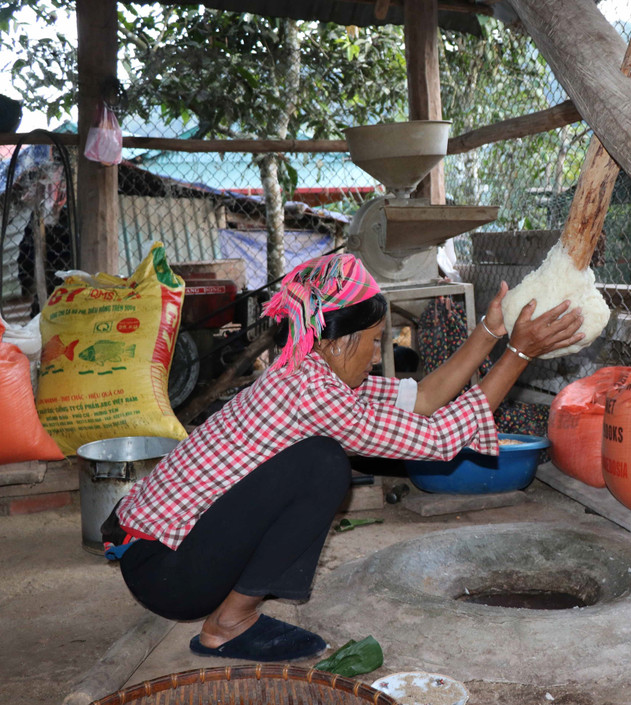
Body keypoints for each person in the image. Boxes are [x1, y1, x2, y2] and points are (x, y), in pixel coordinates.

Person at [108, 253, 584, 662]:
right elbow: (439, 438)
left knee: (316, 460)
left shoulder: (310, 368)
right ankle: (228, 626)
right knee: (323, 464)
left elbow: (420, 399)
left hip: (162, 556)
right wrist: (520, 352)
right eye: (376, 339)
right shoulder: (313, 392)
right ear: (338, 341)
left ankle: (230, 614)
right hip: (167, 573)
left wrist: (490, 331)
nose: (379, 355)